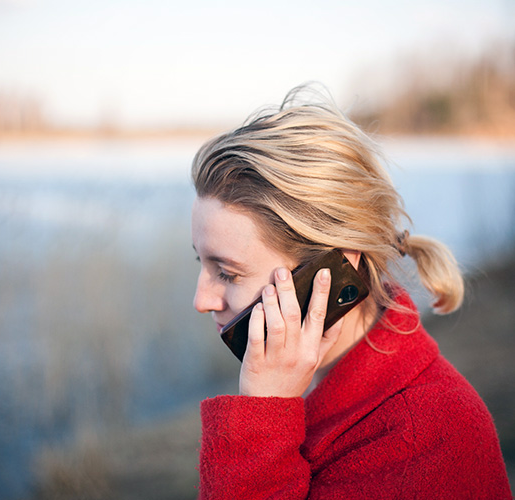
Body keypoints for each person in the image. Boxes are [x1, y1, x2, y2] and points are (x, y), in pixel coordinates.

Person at [190, 85, 512, 499]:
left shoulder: (429, 436)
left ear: (334, 270)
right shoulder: (305, 382)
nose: (202, 300)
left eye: (228, 273)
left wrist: (261, 415)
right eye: (200, 262)